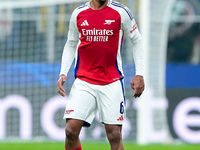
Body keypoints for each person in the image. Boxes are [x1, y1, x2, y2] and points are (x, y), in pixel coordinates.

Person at [57, 0, 145, 150]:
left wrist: (140, 74)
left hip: (111, 81)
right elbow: (71, 43)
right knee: (70, 131)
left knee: (114, 136)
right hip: (84, 81)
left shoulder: (121, 12)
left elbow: (137, 40)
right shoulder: (78, 13)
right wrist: (63, 72)